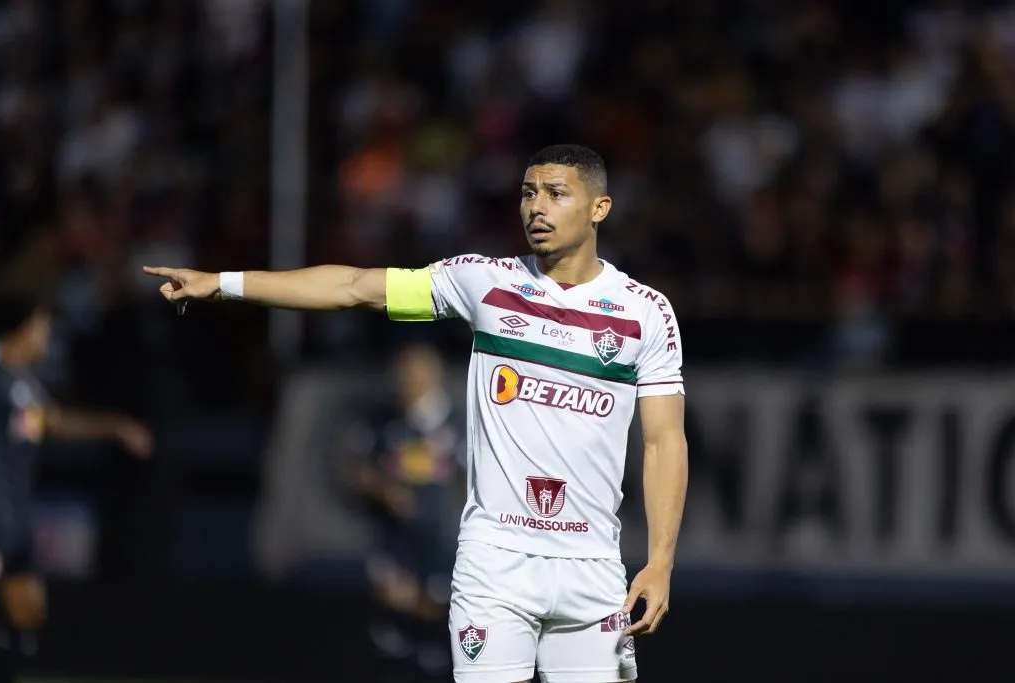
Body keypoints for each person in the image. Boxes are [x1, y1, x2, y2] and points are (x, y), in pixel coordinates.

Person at [145, 144, 690, 683]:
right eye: (527, 193)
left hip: (591, 565)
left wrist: (660, 562)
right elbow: (356, 287)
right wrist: (224, 284)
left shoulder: (645, 313)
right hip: (494, 562)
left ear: (599, 207)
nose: (536, 208)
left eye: (555, 193)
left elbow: (664, 442)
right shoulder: (487, 282)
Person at [0, 290, 155, 683]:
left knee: (28, 610)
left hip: (12, 524)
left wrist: (113, 426)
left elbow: (52, 422)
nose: (48, 338)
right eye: (45, 327)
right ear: (26, 328)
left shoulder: (22, 388)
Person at [344, 342, 465, 679]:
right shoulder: (381, 424)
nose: (410, 380)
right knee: (392, 637)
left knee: (437, 637)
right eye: (405, 372)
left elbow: (478, 480)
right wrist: (382, 488)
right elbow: (353, 470)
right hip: (394, 546)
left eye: (418, 371)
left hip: (442, 547)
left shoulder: (458, 426)